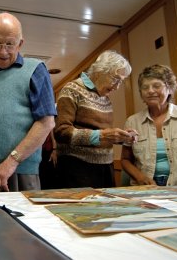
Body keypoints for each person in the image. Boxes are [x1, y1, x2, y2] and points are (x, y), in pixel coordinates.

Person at [0, 12, 57, 192]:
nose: (3, 51)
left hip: (20, 173)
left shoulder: (35, 69)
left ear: (20, 44)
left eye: (10, 44)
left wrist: (10, 163)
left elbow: (46, 123)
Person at [54, 50, 136, 189]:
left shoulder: (106, 99)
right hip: (77, 169)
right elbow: (62, 132)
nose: (117, 87)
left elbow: (101, 135)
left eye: (121, 82)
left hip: (106, 168)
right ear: (100, 71)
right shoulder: (71, 90)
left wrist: (121, 137)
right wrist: (102, 135)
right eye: (116, 79)